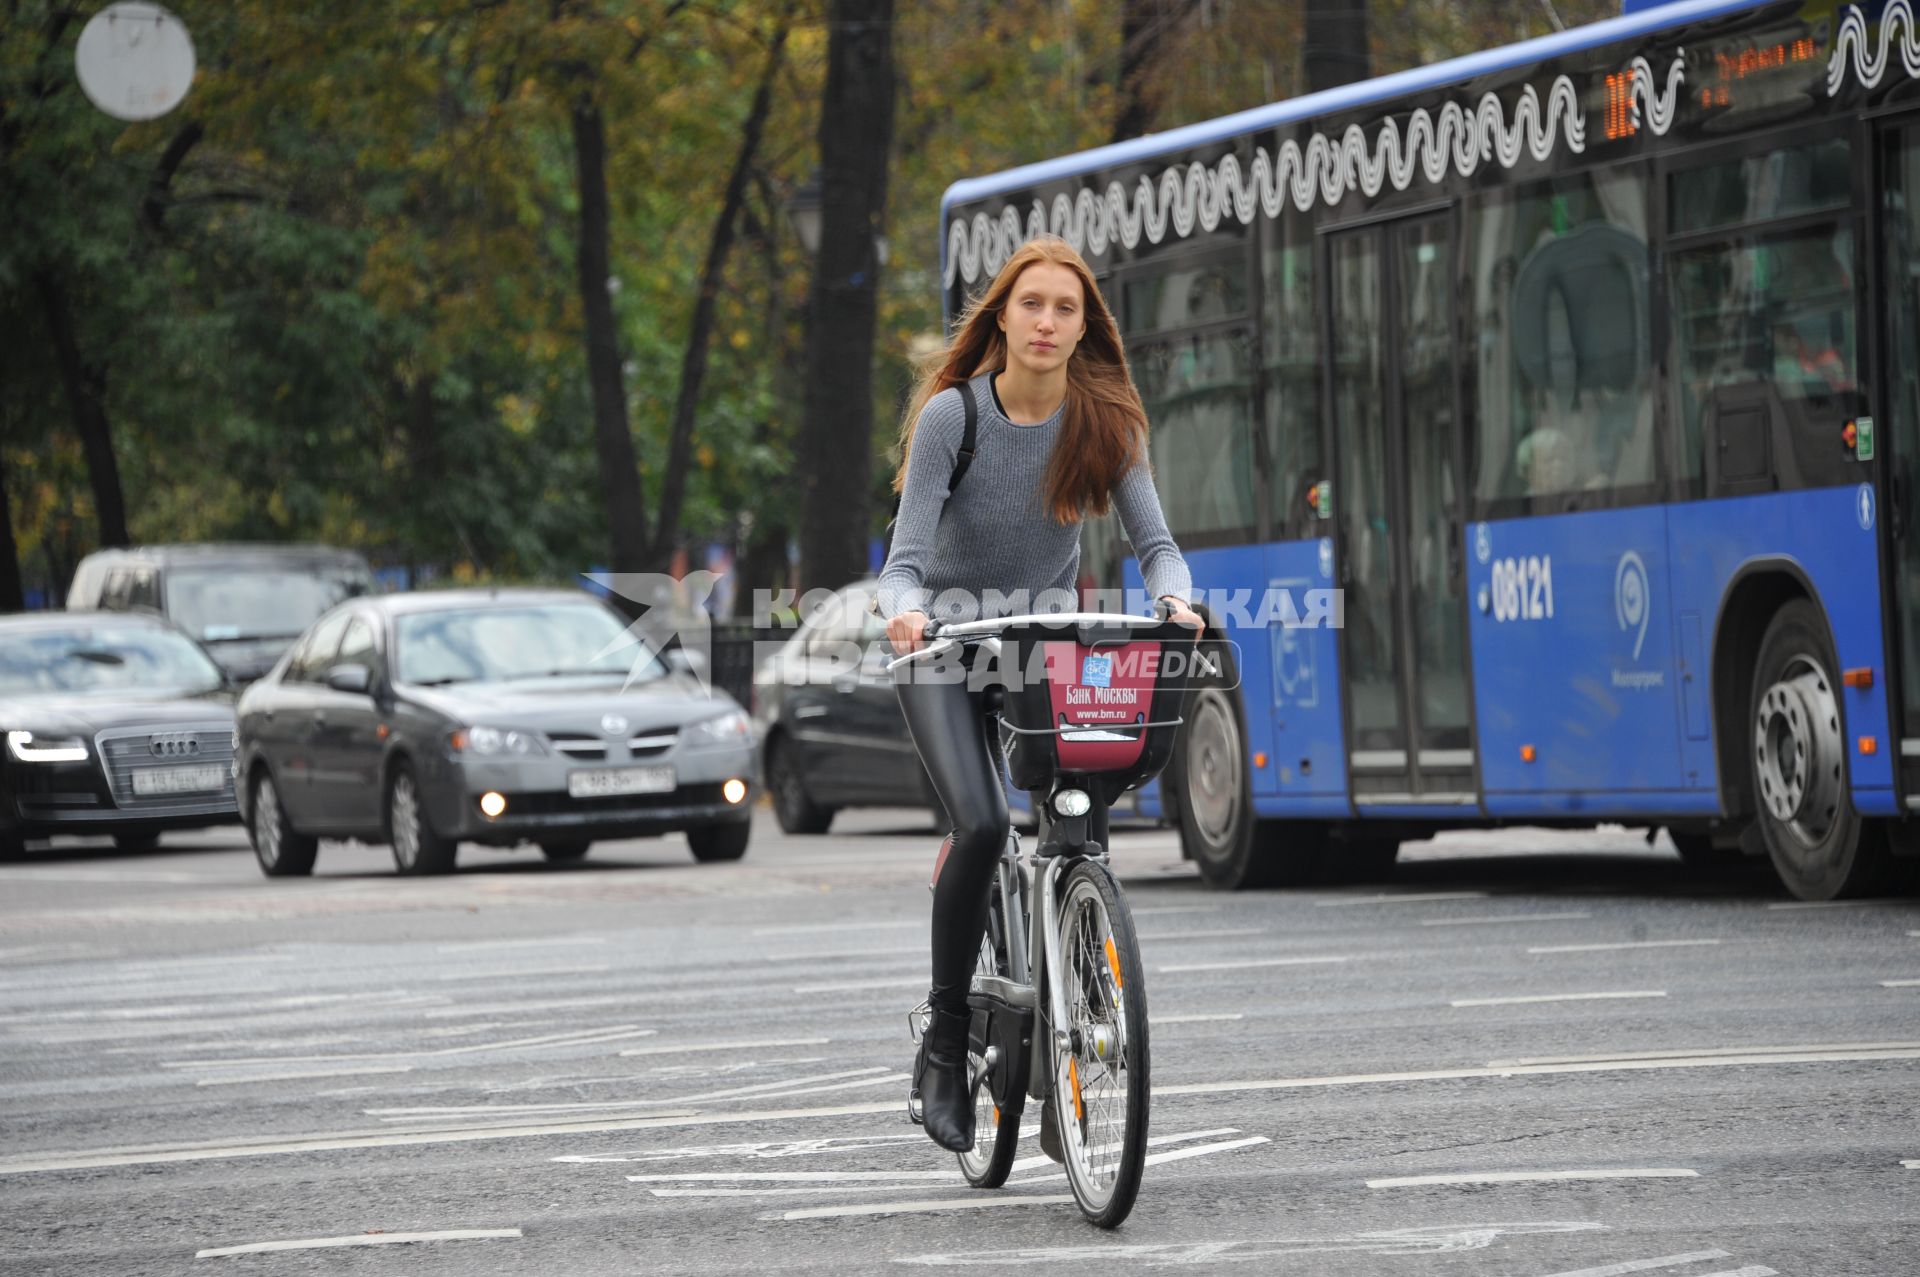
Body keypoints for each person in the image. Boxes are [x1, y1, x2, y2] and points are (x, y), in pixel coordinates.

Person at [877, 236, 1203, 1153]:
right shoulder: (953, 416)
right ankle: (945, 1042)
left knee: (1076, 821)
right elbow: (900, 566)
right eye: (1032, 305)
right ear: (1005, 318)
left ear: (1083, 325)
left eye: (1067, 308)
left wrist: (1174, 597)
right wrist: (905, 617)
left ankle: (1075, 1050)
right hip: (943, 645)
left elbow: (1157, 545)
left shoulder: (1103, 422)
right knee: (981, 825)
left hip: (1040, 650)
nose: (1048, 322)